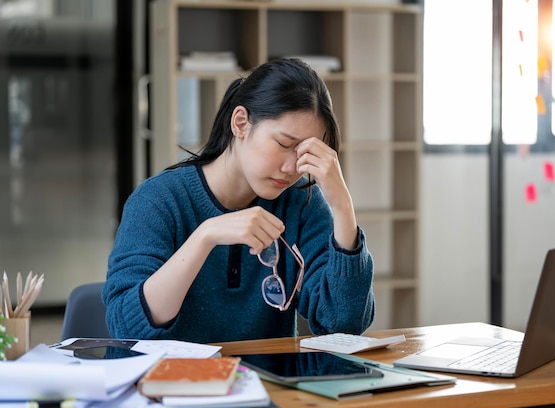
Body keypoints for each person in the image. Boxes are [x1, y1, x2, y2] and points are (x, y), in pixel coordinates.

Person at [102, 58, 375, 343]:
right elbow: (126, 328)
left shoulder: (301, 201)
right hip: (175, 384)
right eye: (284, 144)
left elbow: (343, 324)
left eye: (306, 153)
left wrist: (343, 208)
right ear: (241, 123)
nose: (292, 168)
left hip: (270, 386)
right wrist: (206, 236)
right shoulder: (158, 201)